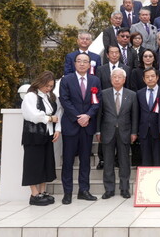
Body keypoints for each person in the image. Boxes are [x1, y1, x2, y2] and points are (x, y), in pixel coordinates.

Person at [59, 53, 102, 204]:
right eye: (79, 61)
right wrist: (78, 117)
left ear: (89, 64)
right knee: (68, 160)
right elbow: (64, 100)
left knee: (85, 160)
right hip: (71, 125)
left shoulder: (95, 80)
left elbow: (97, 102)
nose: (82, 64)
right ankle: (68, 192)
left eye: (85, 61)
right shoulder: (66, 80)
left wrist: (88, 116)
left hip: (87, 126)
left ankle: (84, 190)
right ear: (75, 63)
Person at [96, 68, 138, 199]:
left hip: (125, 132)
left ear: (124, 79)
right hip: (107, 131)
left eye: (120, 77)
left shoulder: (132, 95)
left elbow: (135, 115)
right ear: (110, 78)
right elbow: (99, 115)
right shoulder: (103, 94)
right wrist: (98, 131)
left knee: (124, 161)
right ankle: (109, 189)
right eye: (114, 77)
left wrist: (134, 132)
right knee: (108, 161)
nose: (117, 79)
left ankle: (124, 188)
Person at [21, 71, 61, 206]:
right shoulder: (31, 96)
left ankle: (42, 191)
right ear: (40, 82)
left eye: (51, 86)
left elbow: (57, 113)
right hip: (33, 135)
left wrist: (56, 129)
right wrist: (49, 118)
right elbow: (32, 115)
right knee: (33, 164)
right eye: (47, 85)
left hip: (47, 134)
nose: (48, 88)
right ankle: (34, 193)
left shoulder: (50, 97)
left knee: (45, 163)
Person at [136, 67, 160, 167]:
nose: (150, 79)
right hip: (144, 130)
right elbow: (137, 113)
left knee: (158, 159)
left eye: (152, 76)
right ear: (144, 79)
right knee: (145, 160)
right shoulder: (139, 93)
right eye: (147, 77)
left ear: (157, 78)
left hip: (158, 130)